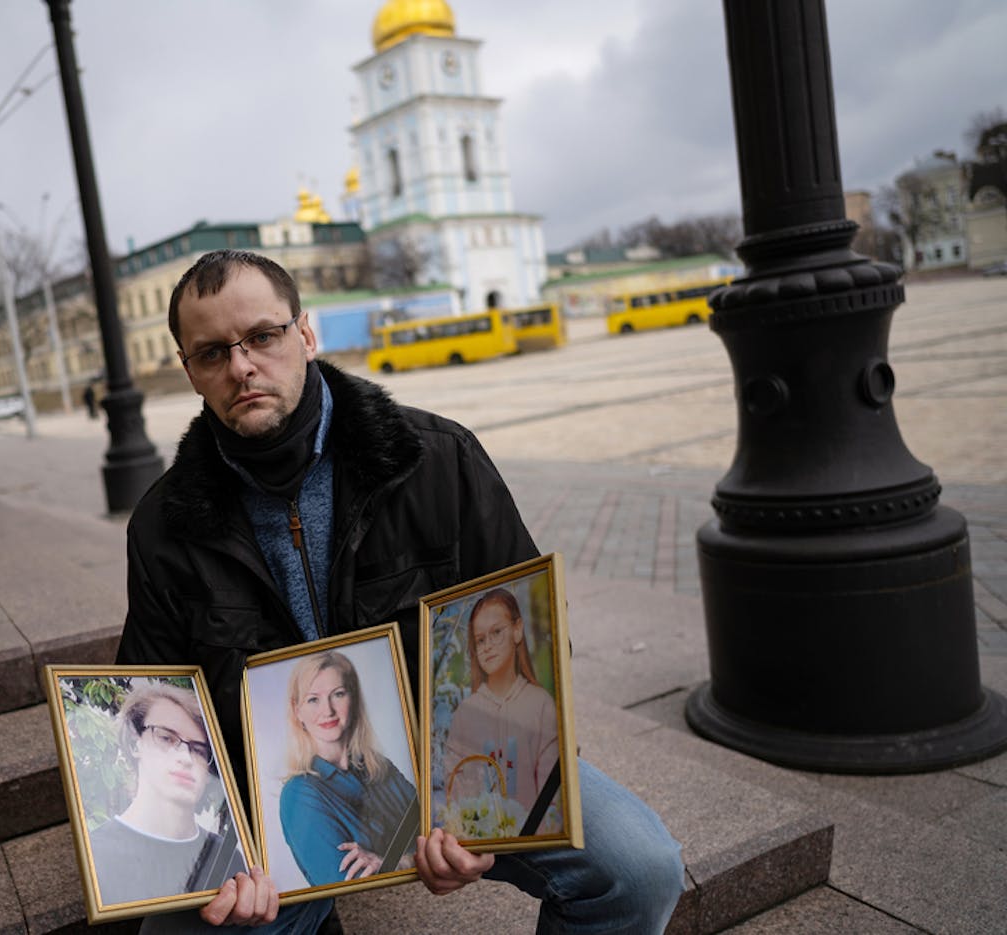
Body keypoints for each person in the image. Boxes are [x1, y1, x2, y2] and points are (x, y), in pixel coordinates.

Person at [118, 249, 685, 933]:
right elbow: (157, 692)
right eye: (213, 353)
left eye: (262, 337)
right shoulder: (163, 523)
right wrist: (221, 840)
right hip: (279, 793)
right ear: (189, 370)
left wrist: (478, 808)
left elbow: (530, 641)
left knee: (642, 868)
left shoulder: (437, 459)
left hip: (451, 760)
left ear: (305, 333)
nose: (242, 367)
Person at [87, 681, 246, 906]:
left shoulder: (227, 858)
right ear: (135, 743)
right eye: (165, 738)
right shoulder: (96, 853)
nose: (185, 757)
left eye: (199, 750)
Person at [278, 651, 417, 887]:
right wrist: (418, 860)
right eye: (313, 699)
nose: (328, 710)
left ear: (353, 699)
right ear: (297, 710)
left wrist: (396, 863)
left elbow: (441, 834)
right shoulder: (299, 795)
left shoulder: (381, 767)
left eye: (338, 694)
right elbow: (355, 894)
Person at [442, 588, 561, 837]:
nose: (488, 646)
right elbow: (456, 791)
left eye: (497, 632)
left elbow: (554, 797)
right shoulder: (465, 712)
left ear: (517, 630)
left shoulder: (540, 705)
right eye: (480, 640)